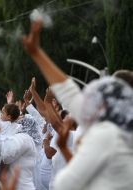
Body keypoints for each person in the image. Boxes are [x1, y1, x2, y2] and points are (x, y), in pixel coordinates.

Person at [23, 19, 133, 190]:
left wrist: (37, 54)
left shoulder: (107, 134)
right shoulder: (112, 126)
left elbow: (67, 184)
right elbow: (70, 92)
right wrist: (36, 53)